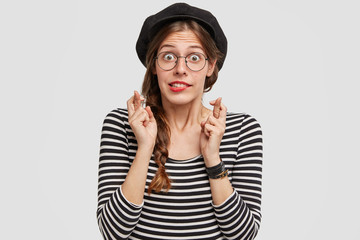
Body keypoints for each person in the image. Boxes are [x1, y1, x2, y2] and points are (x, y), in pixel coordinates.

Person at [97, 3, 263, 240]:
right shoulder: (122, 125)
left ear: (211, 65)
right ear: (154, 65)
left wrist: (213, 159)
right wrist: (144, 148)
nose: (180, 69)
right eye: (168, 57)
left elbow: (243, 235)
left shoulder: (242, 130)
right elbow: (113, 232)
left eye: (194, 57)